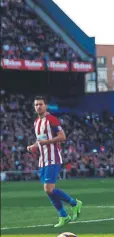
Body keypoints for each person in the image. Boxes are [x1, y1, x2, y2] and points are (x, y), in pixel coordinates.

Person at [26, 96, 82, 228]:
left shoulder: (51, 119)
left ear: (45, 106)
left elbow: (62, 137)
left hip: (53, 158)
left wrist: (46, 142)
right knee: (48, 190)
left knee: (48, 188)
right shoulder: (36, 122)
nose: (38, 106)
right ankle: (63, 215)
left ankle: (74, 203)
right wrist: (34, 146)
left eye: (41, 104)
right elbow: (40, 140)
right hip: (42, 160)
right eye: (36, 105)